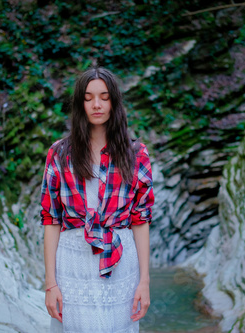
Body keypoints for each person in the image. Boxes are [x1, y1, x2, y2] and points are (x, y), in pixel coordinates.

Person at [40, 67, 155, 332]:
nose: (97, 104)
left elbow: (140, 219)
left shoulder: (136, 154)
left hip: (121, 263)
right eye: (89, 97)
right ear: (80, 103)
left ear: (114, 102)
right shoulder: (59, 153)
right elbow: (51, 219)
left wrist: (144, 282)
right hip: (73, 262)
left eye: (104, 97)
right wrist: (50, 284)